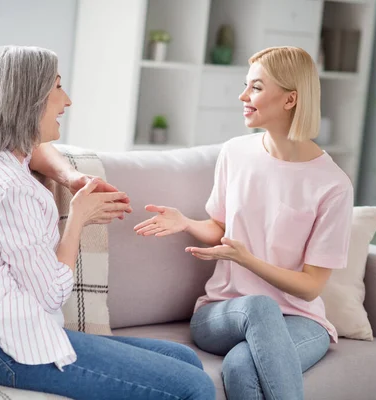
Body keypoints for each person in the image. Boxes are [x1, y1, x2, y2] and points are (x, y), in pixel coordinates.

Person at [0, 45, 216, 400]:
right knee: (195, 386)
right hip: (5, 346)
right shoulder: (7, 190)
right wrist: (79, 217)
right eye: (57, 88)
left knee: (184, 357)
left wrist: (70, 177)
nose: (66, 100)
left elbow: (33, 149)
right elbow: (51, 294)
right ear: (27, 101)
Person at [134, 46, 353, 400]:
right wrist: (186, 223)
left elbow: (311, 287)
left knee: (240, 366)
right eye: (246, 85)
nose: (243, 96)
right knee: (258, 306)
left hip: (300, 319)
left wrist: (246, 259)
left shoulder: (333, 185)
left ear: (289, 99)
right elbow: (219, 229)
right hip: (223, 312)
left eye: (256, 87)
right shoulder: (235, 153)